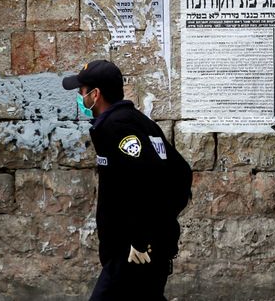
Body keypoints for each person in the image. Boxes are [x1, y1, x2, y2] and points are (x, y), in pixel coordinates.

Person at [62, 60, 192, 301]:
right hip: (142, 247)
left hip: (132, 251)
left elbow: (146, 180)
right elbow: (181, 173)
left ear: (96, 94)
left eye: (82, 91)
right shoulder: (140, 122)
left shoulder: (117, 127)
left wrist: (142, 238)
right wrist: (163, 224)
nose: (80, 97)